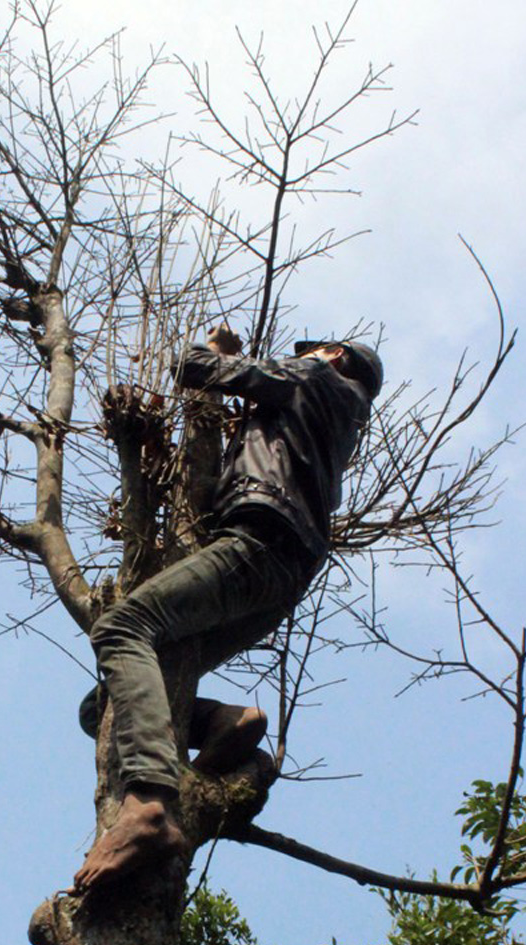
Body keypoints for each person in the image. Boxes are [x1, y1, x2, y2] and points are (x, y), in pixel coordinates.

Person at [71, 323, 383, 895]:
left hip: (256, 546)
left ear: (335, 355)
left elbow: (195, 370)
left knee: (123, 625)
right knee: (100, 706)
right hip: (284, 574)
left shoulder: (314, 376)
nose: (301, 356)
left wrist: (216, 352)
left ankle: (147, 802)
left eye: (313, 349)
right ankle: (223, 721)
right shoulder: (338, 420)